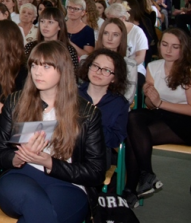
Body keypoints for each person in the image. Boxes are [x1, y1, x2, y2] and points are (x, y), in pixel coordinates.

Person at [0, 41, 106, 223]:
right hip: (20, 176)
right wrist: (18, 158)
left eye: (46, 66)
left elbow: (96, 173)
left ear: (63, 70)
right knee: (33, 200)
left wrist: (49, 162)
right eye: (34, 65)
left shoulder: (87, 113)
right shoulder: (16, 102)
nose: (37, 72)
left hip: (68, 184)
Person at [123, 29, 191, 206]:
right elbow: (150, 105)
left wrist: (160, 103)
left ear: (183, 49)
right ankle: (146, 175)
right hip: (162, 114)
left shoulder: (188, 71)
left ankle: (131, 189)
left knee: (133, 136)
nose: (168, 50)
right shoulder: (153, 67)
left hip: (185, 121)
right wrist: (149, 96)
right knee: (133, 118)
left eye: (175, 46)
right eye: (165, 44)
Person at [76, 48, 129, 166]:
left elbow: (116, 139)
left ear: (115, 78)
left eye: (107, 70)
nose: (98, 72)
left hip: (98, 155)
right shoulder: (72, 95)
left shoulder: (119, 104)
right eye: (95, 66)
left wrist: (91, 127)